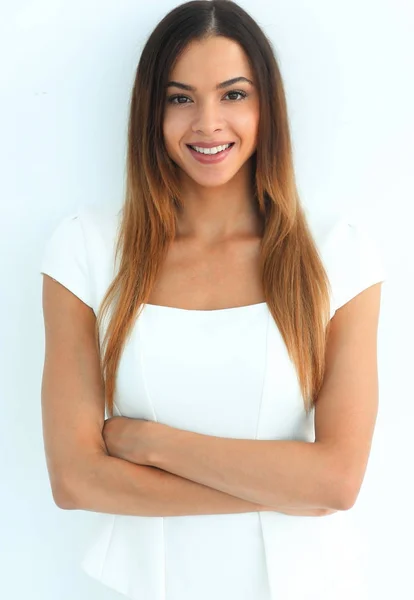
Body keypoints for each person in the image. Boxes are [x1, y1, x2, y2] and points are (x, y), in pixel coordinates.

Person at [40, 1, 386, 599]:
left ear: (266, 106)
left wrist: (150, 443)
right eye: (180, 98)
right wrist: (283, 488)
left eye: (233, 95)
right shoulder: (85, 248)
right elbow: (75, 481)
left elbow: (337, 480)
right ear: (152, 112)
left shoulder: (339, 254)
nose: (207, 123)